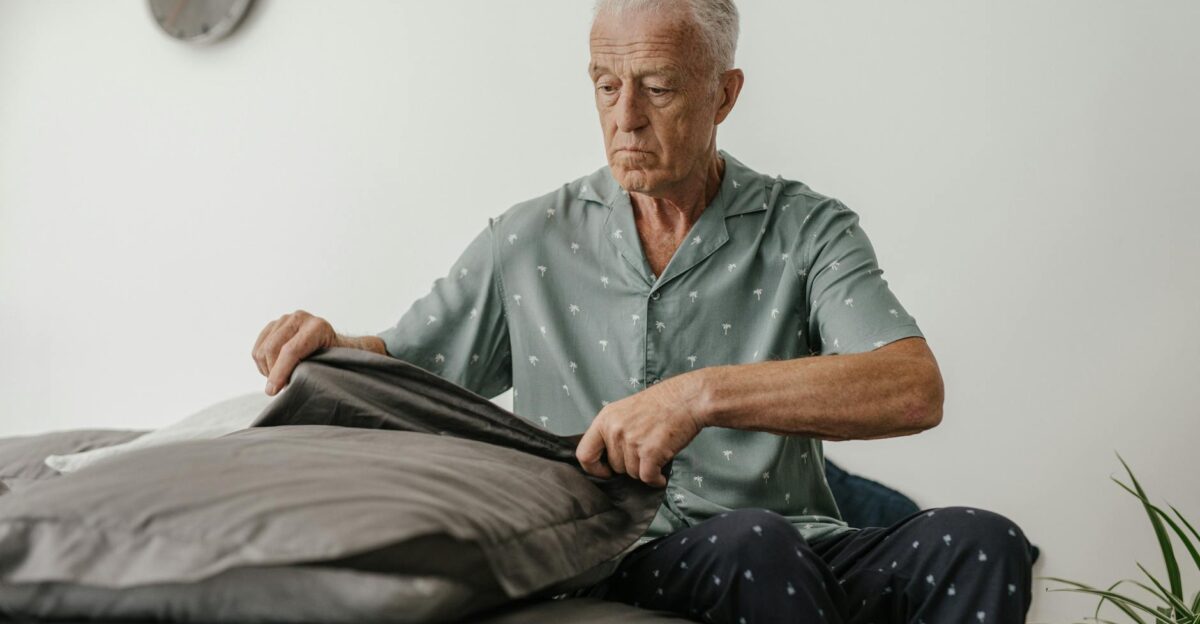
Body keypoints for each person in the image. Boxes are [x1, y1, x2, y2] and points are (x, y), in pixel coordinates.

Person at [251, 1, 1035, 622]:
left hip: (798, 541)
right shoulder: (526, 241)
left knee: (982, 542)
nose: (625, 117)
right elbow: (404, 371)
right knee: (753, 545)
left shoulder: (807, 229)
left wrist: (699, 396)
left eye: (657, 87)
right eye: (605, 85)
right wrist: (333, 343)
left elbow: (912, 389)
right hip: (617, 553)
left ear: (724, 94)